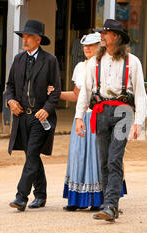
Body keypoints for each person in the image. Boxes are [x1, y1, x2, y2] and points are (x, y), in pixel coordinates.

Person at [75, 19, 147, 222]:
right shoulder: (93, 63)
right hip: (100, 111)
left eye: (105, 33)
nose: (102, 37)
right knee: (104, 160)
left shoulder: (132, 62)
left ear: (115, 36)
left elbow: (141, 94)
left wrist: (139, 122)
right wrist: (79, 117)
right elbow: (85, 92)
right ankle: (109, 203)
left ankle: (111, 205)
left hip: (123, 111)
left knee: (115, 158)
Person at [53, 33, 127, 211]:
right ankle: (77, 199)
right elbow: (78, 95)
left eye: (92, 45)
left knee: (100, 157)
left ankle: (102, 199)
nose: (87, 48)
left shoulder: (105, 64)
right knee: (79, 155)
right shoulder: (80, 67)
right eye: (85, 46)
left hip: (99, 114)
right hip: (83, 115)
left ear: (100, 46)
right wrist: (57, 94)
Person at [6, 19, 61, 211]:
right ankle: (41, 194)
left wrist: (47, 108)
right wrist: (11, 101)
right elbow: (10, 86)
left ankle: (21, 197)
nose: (25, 39)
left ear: (38, 40)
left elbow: (56, 91)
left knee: (31, 154)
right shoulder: (18, 59)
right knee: (32, 156)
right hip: (22, 116)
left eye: (29, 36)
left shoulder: (50, 60)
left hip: (40, 117)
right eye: (24, 36)